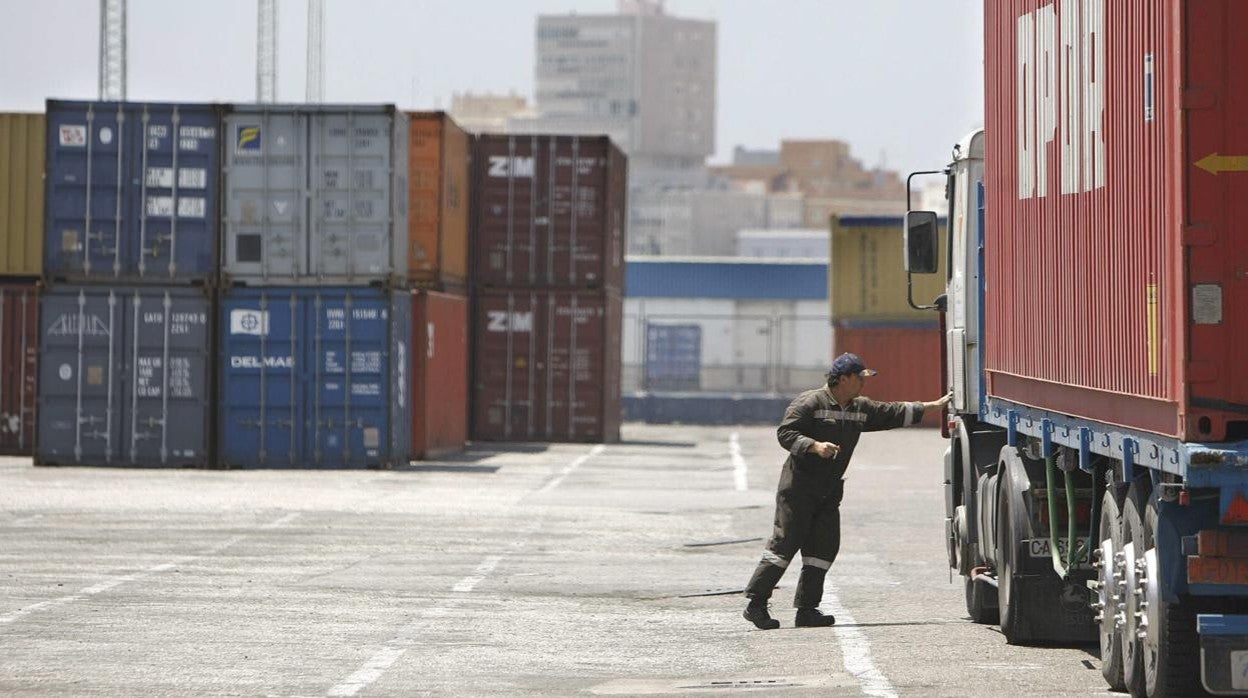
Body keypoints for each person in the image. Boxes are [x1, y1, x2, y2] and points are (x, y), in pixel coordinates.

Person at [742, 352, 952, 629]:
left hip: (829, 492)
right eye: (859, 378)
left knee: (823, 549)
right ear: (843, 379)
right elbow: (786, 434)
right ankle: (756, 604)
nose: (864, 383)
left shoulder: (859, 408)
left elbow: (894, 412)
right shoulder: (810, 402)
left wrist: (936, 405)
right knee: (784, 546)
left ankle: (807, 610)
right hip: (799, 489)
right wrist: (814, 446)